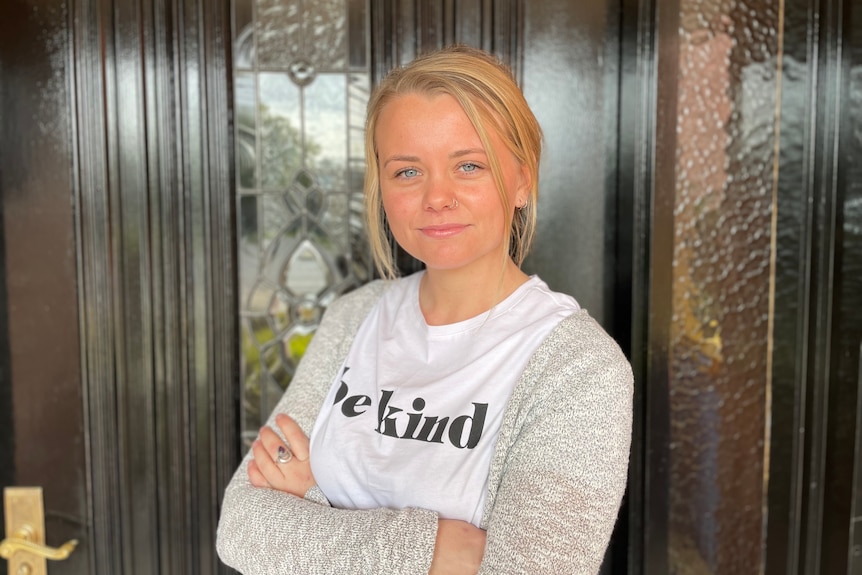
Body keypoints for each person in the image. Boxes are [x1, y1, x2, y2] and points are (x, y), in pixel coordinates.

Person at [216, 44, 633, 574]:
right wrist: (438, 550)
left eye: (468, 166)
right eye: (408, 172)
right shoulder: (354, 317)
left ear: (522, 180)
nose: (437, 196)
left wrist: (312, 503)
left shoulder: (578, 369)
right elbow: (242, 525)